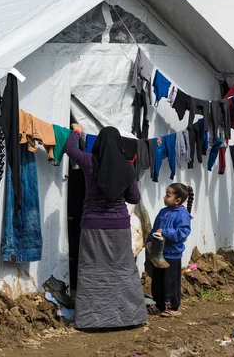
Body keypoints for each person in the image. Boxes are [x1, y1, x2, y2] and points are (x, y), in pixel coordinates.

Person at [64, 124, 147, 329]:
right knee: (122, 270)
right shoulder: (126, 168)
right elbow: (134, 197)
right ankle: (129, 317)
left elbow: (70, 149)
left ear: (99, 143)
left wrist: (76, 131)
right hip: (119, 226)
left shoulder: (89, 162)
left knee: (93, 271)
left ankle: (91, 320)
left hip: (92, 225)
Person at [146, 183, 193, 317]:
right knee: (158, 281)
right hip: (158, 254)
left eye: (168, 195)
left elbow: (183, 233)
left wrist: (165, 232)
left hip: (172, 255)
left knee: (171, 281)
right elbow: (155, 229)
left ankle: (173, 307)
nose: (164, 197)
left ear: (178, 200)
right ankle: (159, 304)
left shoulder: (182, 215)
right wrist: (149, 238)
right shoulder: (163, 211)